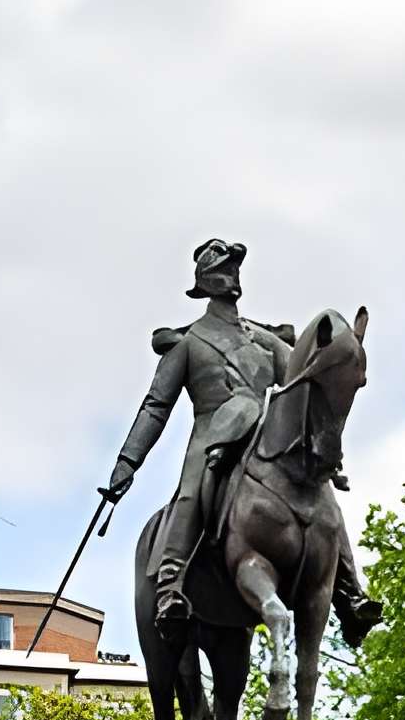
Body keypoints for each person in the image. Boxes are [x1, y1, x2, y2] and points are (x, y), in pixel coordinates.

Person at [102, 236, 382, 642]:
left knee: (318, 490)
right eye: (223, 270)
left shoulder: (262, 338)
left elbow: (299, 385)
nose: (232, 276)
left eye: (235, 269)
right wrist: (127, 463)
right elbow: (155, 406)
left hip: (268, 432)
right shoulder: (188, 343)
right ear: (205, 282)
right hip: (213, 430)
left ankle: (349, 592)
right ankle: (170, 587)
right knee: (193, 490)